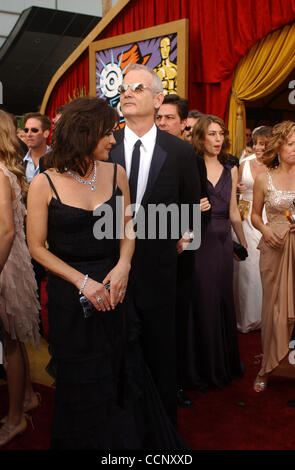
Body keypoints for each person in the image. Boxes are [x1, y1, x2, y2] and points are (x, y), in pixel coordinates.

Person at [26, 96, 188, 449]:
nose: (114, 141)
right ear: (85, 134)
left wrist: (124, 265)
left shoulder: (116, 173)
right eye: (107, 134)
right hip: (72, 293)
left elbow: (128, 230)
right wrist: (81, 282)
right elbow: (37, 247)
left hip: (115, 288)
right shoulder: (44, 183)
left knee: (122, 370)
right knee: (82, 377)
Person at [110, 64, 200, 425]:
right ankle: (118, 425)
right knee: (115, 354)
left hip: (162, 275)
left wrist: (186, 240)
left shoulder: (179, 152)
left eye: (137, 88)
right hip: (108, 270)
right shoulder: (104, 146)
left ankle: (161, 428)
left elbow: (190, 209)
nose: (127, 92)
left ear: (158, 98)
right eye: (124, 88)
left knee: (160, 354)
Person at [187, 114, 247, 390]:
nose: (218, 139)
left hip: (223, 241)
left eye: (221, 134)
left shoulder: (230, 166)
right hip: (199, 242)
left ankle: (222, 363)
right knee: (201, 300)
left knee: (222, 300)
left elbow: (234, 211)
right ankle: (201, 367)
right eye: (212, 134)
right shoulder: (191, 165)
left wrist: (242, 242)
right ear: (200, 136)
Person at [0, 110, 40, 447]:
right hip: (10, 261)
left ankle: (15, 419)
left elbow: (7, 231)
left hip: (3, 264)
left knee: (9, 342)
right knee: (14, 337)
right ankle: (26, 397)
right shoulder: (6, 171)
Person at [251, 120, 295, 392]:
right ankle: (267, 367)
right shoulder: (263, 178)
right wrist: (266, 231)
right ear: (278, 146)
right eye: (291, 144)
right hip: (273, 248)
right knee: (272, 310)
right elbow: (255, 215)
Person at [233, 126, 272, 333]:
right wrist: (238, 189)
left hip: (268, 217)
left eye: (262, 144)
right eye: (255, 143)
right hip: (245, 217)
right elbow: (234, 190)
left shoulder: (277, 165)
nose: (257, 147)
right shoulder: (244, 164)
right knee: (246, 267)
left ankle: (266, 316)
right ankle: (247, 318)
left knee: (266, 267)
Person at [23, 112, 51, 183]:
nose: (29, 134)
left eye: (34, 130)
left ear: (46, 133)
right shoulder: (19, 160)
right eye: (26, 130)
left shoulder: (57, 159)